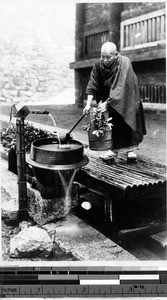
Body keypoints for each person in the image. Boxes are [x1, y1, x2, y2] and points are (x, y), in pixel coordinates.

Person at [83, 41, 146, 161]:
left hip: (127, 97)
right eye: (103, 57)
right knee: (112, 124)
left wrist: (107, 102)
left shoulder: (124, 62)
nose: (105, 60)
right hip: (109, 98)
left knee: (128, 122)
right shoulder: (98, 65)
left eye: (108, 57)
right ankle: (112, 150)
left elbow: (121, 86)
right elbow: (92, 84)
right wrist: (87, 105)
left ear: (116, 55)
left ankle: (130, 151)